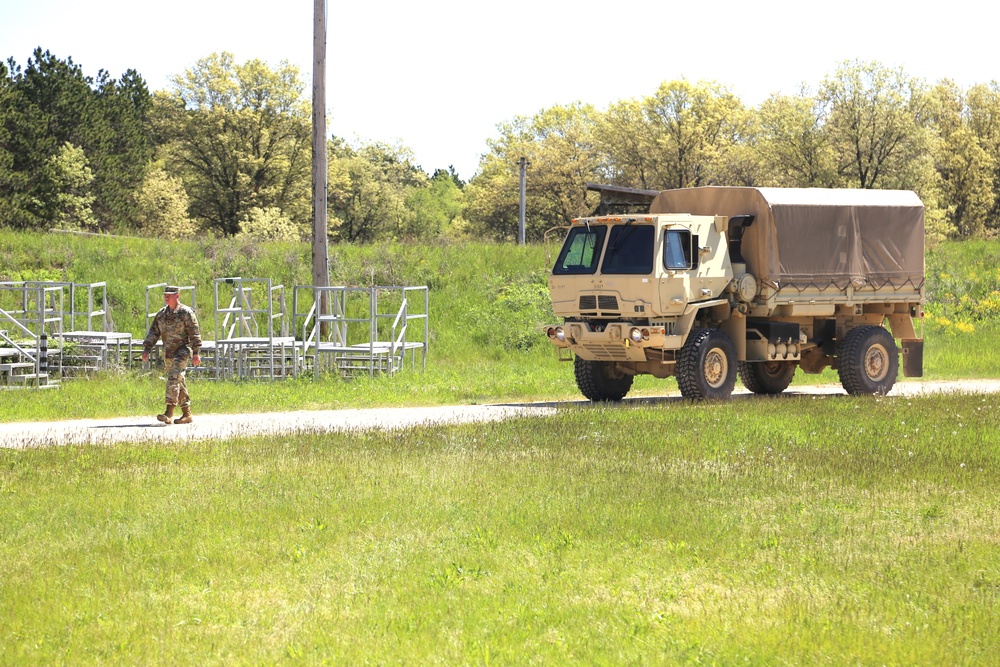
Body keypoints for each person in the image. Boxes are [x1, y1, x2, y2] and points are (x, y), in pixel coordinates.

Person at [141, 286, 202, 424]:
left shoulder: (185, 313)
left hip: (182, 351)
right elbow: (153, 332)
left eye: (170, 295)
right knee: (178, 381)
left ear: (177, 296)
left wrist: (196, 353)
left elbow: (194, 333)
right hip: (168, 353)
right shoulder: (161, 314)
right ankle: (187, 414)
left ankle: (169, 412)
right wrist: (147, 349)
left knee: (173, 378)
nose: (166, 297)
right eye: (165, 295)